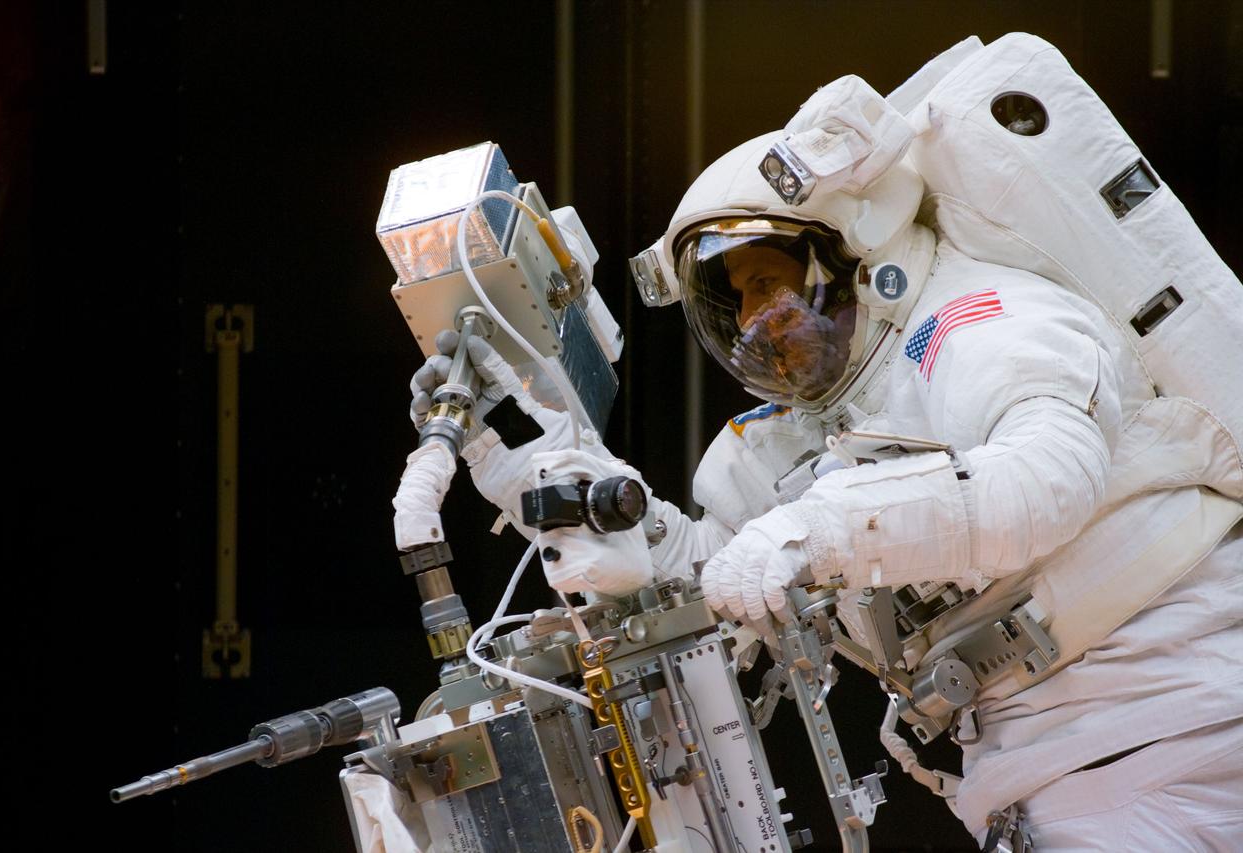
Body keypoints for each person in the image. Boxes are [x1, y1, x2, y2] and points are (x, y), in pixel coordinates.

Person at [412, 77, 1243, 850]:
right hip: (1060, 785)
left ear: (851, 252)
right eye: (732, 302)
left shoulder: (980, 323)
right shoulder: (795, 437)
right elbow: (733, 576)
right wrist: (575, 503)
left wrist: (821, 528)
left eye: (768, 283)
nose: (754, 322)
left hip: (1187, 736)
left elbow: (1044, 484)